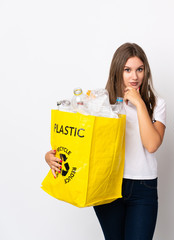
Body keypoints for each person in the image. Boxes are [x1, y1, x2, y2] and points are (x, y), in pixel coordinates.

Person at [45, 43, 166, 240]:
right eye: (128, 70)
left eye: (139, 69)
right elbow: (79, 141)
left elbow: (152, 144)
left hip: (143, 187)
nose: (134, 77)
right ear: (118, 70)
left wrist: (139, 103)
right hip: (107, 184)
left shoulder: (156, 103)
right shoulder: (100, 102)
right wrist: (49, 155)